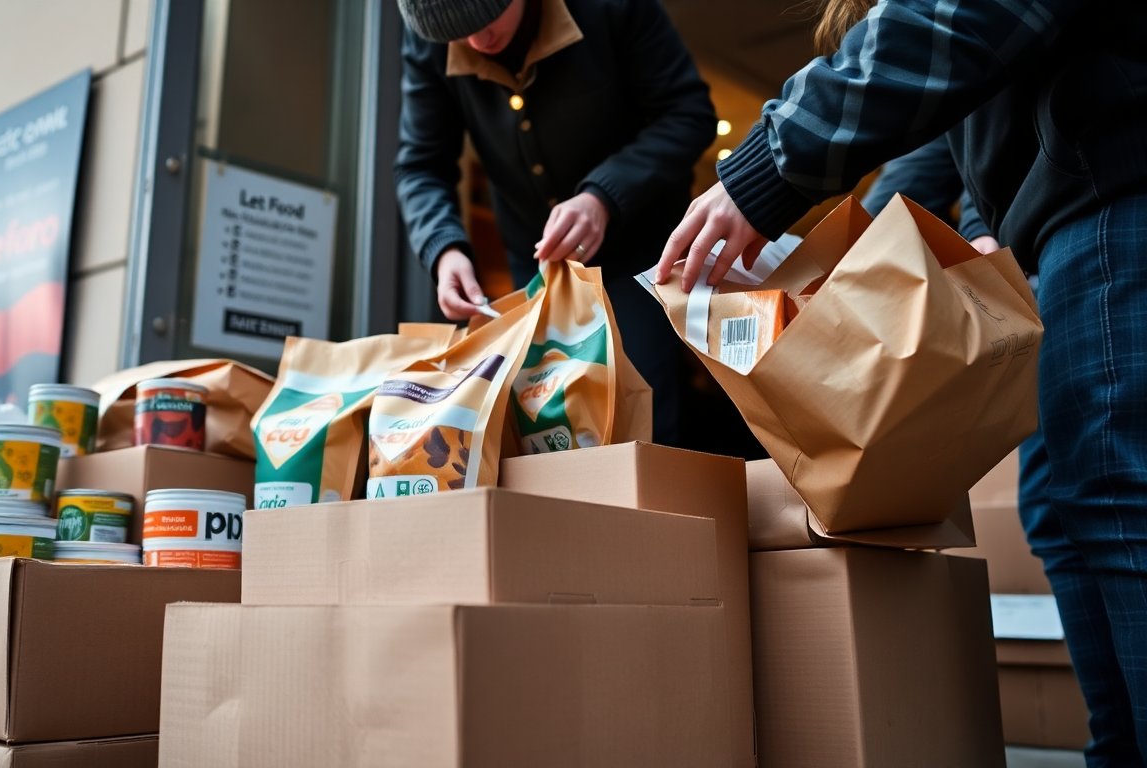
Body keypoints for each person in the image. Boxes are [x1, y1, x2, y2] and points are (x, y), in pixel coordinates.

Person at [653, 1, 1147, 764]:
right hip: (1059, 218)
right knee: (1060, 507)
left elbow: (957, 20)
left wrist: (768, 170)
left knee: (1114, 496)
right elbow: (948, 136)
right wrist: (928, 234)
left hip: (1113, 183)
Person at [394, 0, 717, 447]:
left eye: (487, 20)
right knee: (543, 422)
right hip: (536, 267)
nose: (477, 41)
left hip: (641, 255)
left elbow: (688, 114)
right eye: (458, 35)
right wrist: (443, 247)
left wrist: (603, 196)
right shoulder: (429, 41)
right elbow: (421, 165)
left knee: (639, 425)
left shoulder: (611, 8)